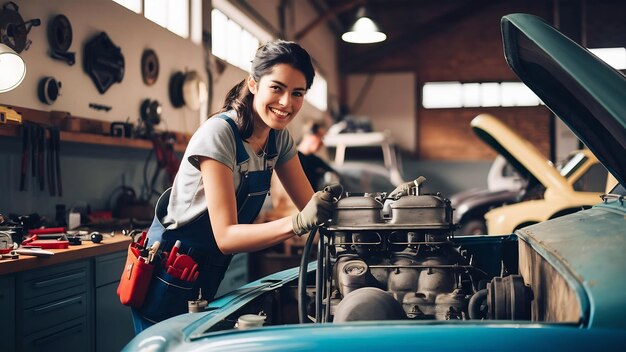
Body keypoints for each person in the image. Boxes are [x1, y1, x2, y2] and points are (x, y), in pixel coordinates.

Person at [130, 40, 342, 333]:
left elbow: (310, 207)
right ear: (253, 84)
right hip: (169, 275)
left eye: (297, 93)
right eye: (276, 88)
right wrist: (297, 223)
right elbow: (226, 237)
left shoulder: (278, 139)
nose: (286, 103)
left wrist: (362, 215)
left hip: (208, 274)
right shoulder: (220, 134)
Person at [297, 122, 338, 190]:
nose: (322, 142)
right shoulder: (293, 158)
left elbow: (334, 173)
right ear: (309, 136)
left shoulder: (315, 160)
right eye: (320, 136)